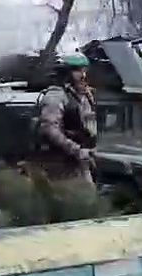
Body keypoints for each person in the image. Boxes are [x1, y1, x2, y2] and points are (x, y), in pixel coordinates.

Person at [37, 53, 98, 184]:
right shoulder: (56, 96)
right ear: (65, 73)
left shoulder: (83, 95)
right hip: (61, 165)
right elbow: (49, 128)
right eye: (77, 71)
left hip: (81, 161)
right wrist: (76, 150)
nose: (83, 75)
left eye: (84, 70)